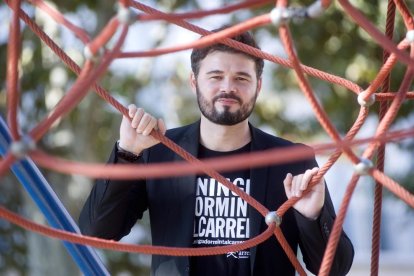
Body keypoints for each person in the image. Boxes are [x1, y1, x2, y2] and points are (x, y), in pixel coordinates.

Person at [79, 27, 354, 276]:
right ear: (193, 82)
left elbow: (335, 269)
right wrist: (127, 152)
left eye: (241, 78)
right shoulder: (158, 152)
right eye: (216, 76)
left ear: (258, 86)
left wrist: (313, 216)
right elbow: (97, 231)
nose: (228, 87)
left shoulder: (292, 161)